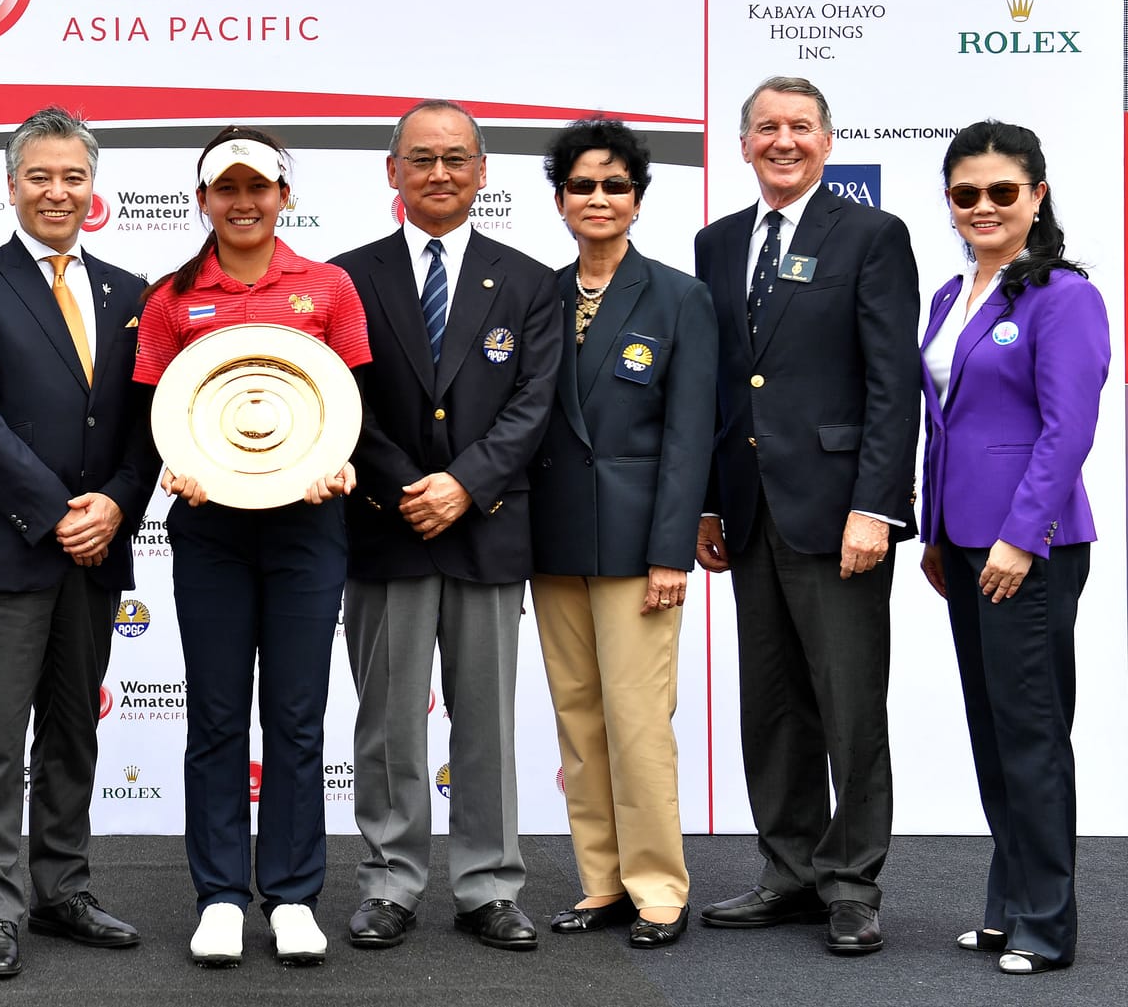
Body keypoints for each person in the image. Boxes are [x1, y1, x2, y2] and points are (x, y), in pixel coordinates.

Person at [0, 107, 160, 978]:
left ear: (93, 188)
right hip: (3, 543)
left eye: (73, 177)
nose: (57, 192)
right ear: (12, 184)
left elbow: (150, 422)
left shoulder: (132, 293)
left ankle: (62, 889)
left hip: (98, 546)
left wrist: (116, 506)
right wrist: (61, 511)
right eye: (40, 176)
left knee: (72, 727)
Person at [694, 76, 918, 954]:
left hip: (839, 513)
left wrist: (876, 506)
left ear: (827, 140)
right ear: (743, 144)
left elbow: (893, 382)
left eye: (799, 126)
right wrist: (710, 501)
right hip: (750, 511)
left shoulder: (871, 234)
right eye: (766, 128)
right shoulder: (717, 242)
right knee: (773, 704)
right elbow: (721, 381)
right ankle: (787, 871)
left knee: (850, 705)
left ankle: (852, 882)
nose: (782, 141)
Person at [134, 127, 366, 967]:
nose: (243, 202)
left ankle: (295, 895)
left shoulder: (328, 287)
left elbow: (347, 405)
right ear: (203, 200)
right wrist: (174, 466)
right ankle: (222, 896)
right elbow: (159, 416)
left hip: (307, 524)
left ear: (283, 196)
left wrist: (339, 462)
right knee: (217, 714)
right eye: (225, 188)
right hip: (213, 531)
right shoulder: (170, 298)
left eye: (258, 187)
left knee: (297, 715)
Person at [331, 100, 560, 952]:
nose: (439, 173)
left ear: (482, 171)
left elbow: (533, 403)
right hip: (386, 529)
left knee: (486, 721)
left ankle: (488, 885)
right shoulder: (347, 278)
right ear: (392, 170)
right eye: (421, 158)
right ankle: (389, 880)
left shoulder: (529, 280)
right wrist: (407, 488)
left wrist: (463, 485)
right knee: (389, 721)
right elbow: (339, 400)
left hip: (486, 529)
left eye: (456, 158)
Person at [916, 121, 1106, 976]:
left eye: (1002, 191)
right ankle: (1007, 905)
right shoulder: (949, 295)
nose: (983, 206)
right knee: (994, 731)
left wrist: (1020, 538)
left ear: (1037, 195)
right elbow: (944, 425)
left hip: (1028, 546)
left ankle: (1047, 921)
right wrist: (933, 532)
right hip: (961, 543)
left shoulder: (1064, 295)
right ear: (950, 202)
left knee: (1032, 734)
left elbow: (1068, 432)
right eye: (967, 193)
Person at [526, 119, 714, 950]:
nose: (597, 198)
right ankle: (602, 880)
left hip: (640, 547)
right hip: (552, 541)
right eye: (582, 185)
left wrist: (672, 551)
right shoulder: (538, 294)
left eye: (615, 185)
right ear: (560, 200)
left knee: (638, 721)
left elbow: (690, 434)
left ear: (638, 198)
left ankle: (659, 887)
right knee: (579, 719)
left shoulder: (679, 296)